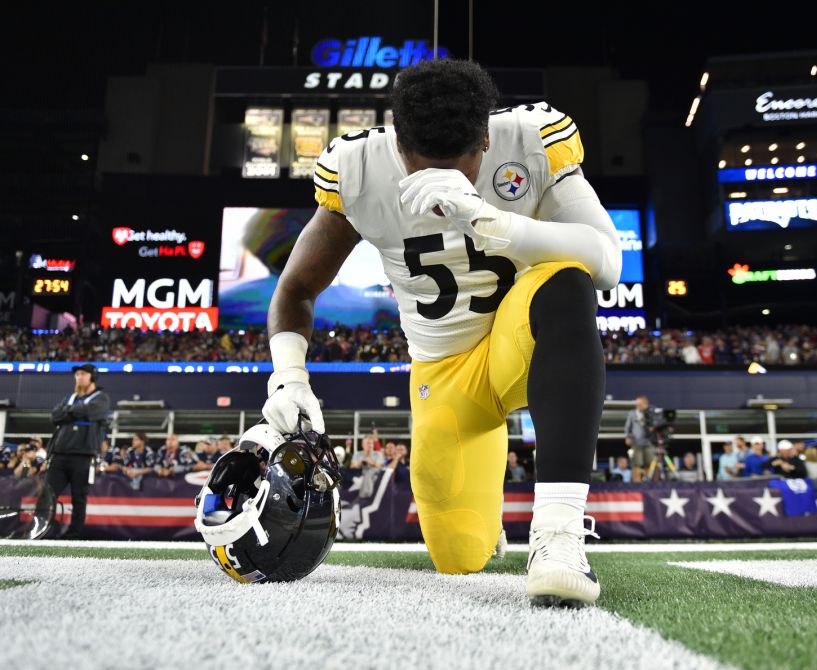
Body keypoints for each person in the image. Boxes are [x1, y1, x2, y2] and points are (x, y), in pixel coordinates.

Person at [260, 59, 620, 607]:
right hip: (444, 371)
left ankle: (560, 535)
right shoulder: (359, 168)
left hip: (523, 337)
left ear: (486, 138)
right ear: (398, 144)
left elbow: (608, 261)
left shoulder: (530, 140)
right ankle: (485, 512)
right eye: (421, 164)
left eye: (465, 162)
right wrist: (289, 378)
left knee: (569, 278)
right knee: (458, 558)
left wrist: (490, 220)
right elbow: (296, 288)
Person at [45, 363, 110, 539]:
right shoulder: (70, 397)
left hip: (83, 456)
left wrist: (67, 414)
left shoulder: (101, 398)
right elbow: (54, 416)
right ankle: (42, 530)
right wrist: (76, 413)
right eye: (77, 374)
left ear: (92, 377)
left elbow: (92, 411)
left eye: (83, 374)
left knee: (79, 498)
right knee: (47, 494)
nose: (79, 377)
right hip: (59, 454)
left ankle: (73, 534)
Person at [623, 395, 657, 483]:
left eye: (640, 404)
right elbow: (627, 427)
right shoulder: (632, 413)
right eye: (637, 404)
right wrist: (627, 437)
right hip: (636, 443)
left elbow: (656, 425)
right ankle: (636, 483)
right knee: (636, 464)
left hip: (649, 443)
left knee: (650, 463)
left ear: (646, 404)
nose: (638, 406)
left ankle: (647, 482)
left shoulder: (651, 412)